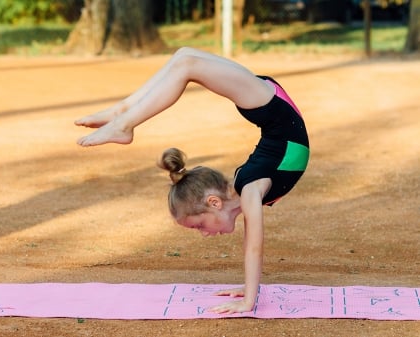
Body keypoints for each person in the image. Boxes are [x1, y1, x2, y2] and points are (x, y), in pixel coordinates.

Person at [75, 47, 309, 314]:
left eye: (199, 225)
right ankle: (123, 113)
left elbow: (254, 247)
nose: (205, 233)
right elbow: (250, 245)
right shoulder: (246, 189)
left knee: (187, 62)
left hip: (271, 107)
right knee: (184, 57)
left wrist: (248, 301)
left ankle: (124, 121)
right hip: (271, 105)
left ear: (214, 202)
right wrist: (249, 287)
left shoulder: (250, 191)